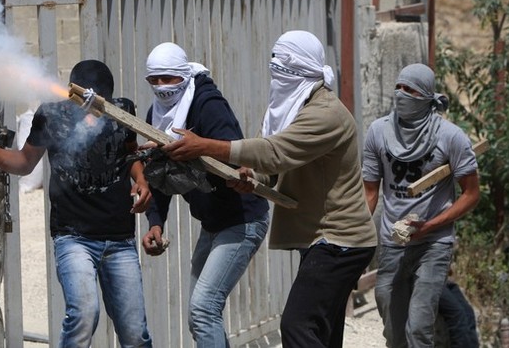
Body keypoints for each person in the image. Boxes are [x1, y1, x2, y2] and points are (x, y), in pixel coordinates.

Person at [159, 31, 378, 348]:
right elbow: (276, 168)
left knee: (297, 327)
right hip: (321, 240)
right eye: (273, 65)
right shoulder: (293, 108)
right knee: (323, 334)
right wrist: (254, 180)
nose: (277, 72)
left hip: (341, 241)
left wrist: (204, 146)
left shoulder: (326, 114)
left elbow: (275, 152)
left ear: (303, 68)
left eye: (284, 66)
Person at [0, 60, 153, 348]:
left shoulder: (122, 111)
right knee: (84, 315)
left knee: (135, 334)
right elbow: (24, 163)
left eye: (99, 105)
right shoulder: (51, 115)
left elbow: (129, 153)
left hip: (120, 239)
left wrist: (141, 181)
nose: (91, 114)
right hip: (74, 237)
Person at [140, 42, 270, 348]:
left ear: (183, 75)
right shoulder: (157, 115)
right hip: (212, 225)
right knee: (200, 313)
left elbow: (234, 153)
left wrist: (199, 147)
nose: (161, 86)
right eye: (154, 80)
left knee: (203, 309)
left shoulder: (207, 104)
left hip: (242, 218)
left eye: (168, 78)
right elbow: (159, 174)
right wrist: (156, 223)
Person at [361, 63, 480, 348]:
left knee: (419, 327)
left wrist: (429, 226)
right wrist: (352, 234)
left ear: (426, 95)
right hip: (393, 242)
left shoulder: (450, 137)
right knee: (393, 329)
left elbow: (471, 194)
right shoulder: (378, 132)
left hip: (433, 244)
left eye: (410, 89)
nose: (401, 94)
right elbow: (369, 193)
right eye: (398, 87)